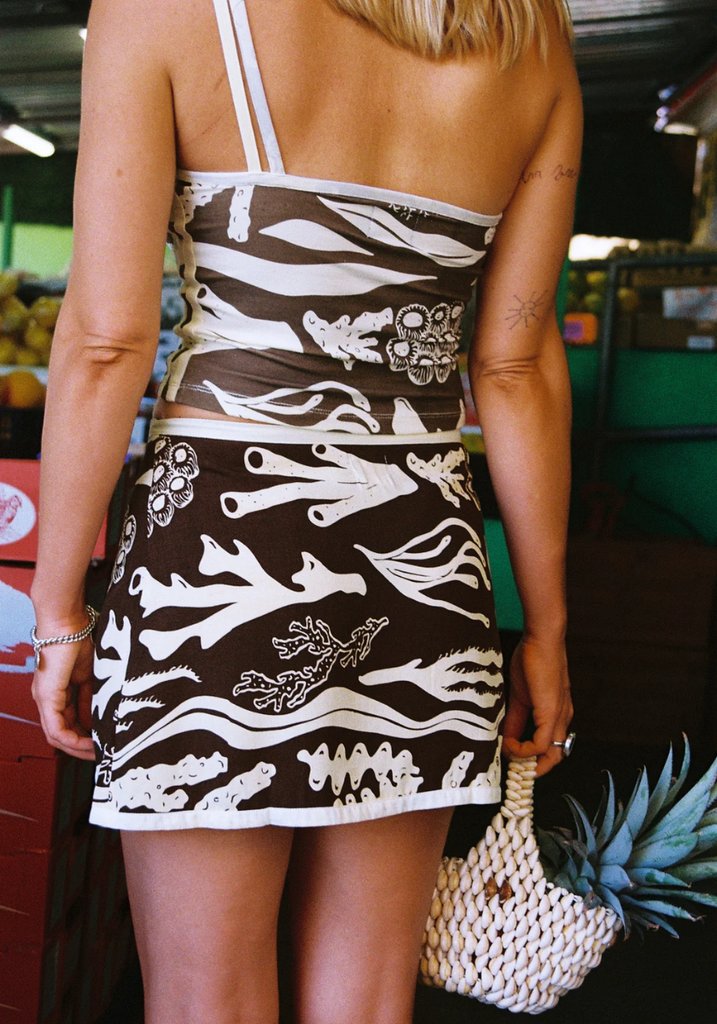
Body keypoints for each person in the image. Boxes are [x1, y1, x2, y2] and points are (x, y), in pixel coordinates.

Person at [30, 0, 580, 1021]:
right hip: (423, 550)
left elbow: (107, 339)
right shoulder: (529, 28)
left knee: (205, 995)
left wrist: (58, 610)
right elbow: (514, 363)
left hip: (222, 550)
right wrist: (545, 625)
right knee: (370, 999)